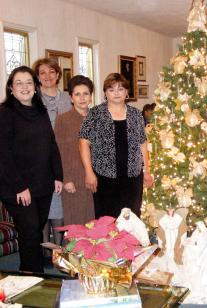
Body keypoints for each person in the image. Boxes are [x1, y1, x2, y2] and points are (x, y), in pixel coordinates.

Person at [0, 66, 63, 272]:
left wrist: (57, 175)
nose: (24, 87)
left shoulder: (40, 110)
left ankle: (28, 274)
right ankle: (34, 278)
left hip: (43, 183)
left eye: (28, 82)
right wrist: (19, 186)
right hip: (16, 187)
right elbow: (3, 154)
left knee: (34, 230)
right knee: (30, 232)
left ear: (35, 87)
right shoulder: (5, 113)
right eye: (19, 83)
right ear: (11, 88)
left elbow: (51, 144)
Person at [79, 73, 153, 218]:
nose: (116, 93)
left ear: (127, 92)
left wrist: (147, 171)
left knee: (131, 220)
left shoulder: (136, 114)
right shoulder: (95, 114)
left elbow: (142, 144)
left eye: (121, 89)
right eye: (111, 90)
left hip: (132, 178)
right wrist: (88, 172)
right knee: (107, 221)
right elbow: (83, 143)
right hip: (105, 178)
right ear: (105, 93)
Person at [33, 58, 71, 246]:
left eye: (51, 72)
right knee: (42, 204)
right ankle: (44, 250)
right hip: (40, 157)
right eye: (42, 73)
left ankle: (57, 248)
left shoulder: (66, 98)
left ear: (57, 75)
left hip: (63, 155)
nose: (47, 76)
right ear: (38, 77)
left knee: (59, 203)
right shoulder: (33, 99)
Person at [54, 75, 95, 225]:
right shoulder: (63, 119)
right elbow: (60, 151)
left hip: (97, 177)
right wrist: (66, 179)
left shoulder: (97, 117)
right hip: (74, 178)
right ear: (71, 97)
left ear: (91, 96)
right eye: (77, 94)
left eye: (86, 94)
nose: (82, 98)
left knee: (96, 224)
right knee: (77, 224)